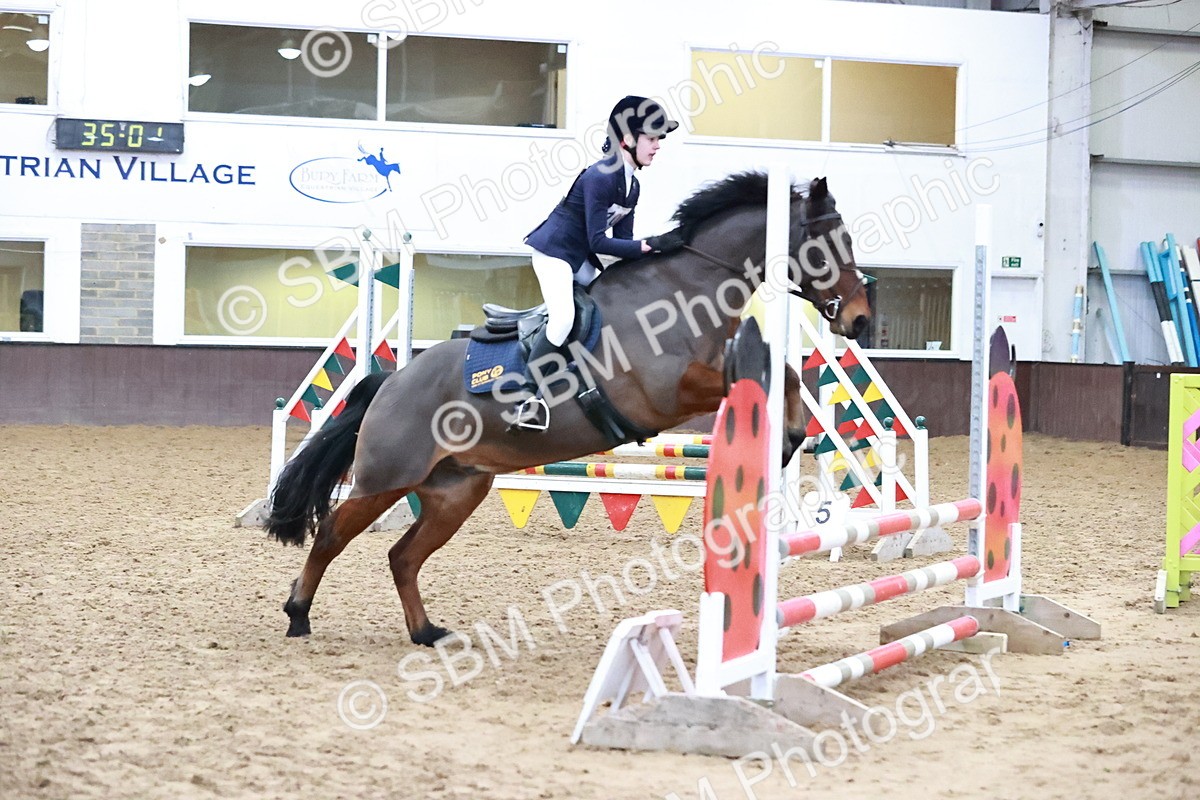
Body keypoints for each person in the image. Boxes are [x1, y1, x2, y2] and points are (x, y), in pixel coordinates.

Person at [512, 95, 685, 429]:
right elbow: (598, 241)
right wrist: (650, 245)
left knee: (610, 306)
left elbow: (622, 245)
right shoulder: (600, 176)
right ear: (627, 139)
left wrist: (657, 252)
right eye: (651, 138)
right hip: (555, 253)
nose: (657, 146)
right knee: (562, 320)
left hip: (580, 258)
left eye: (659, 139)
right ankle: (525, 398)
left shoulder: (631, 186)